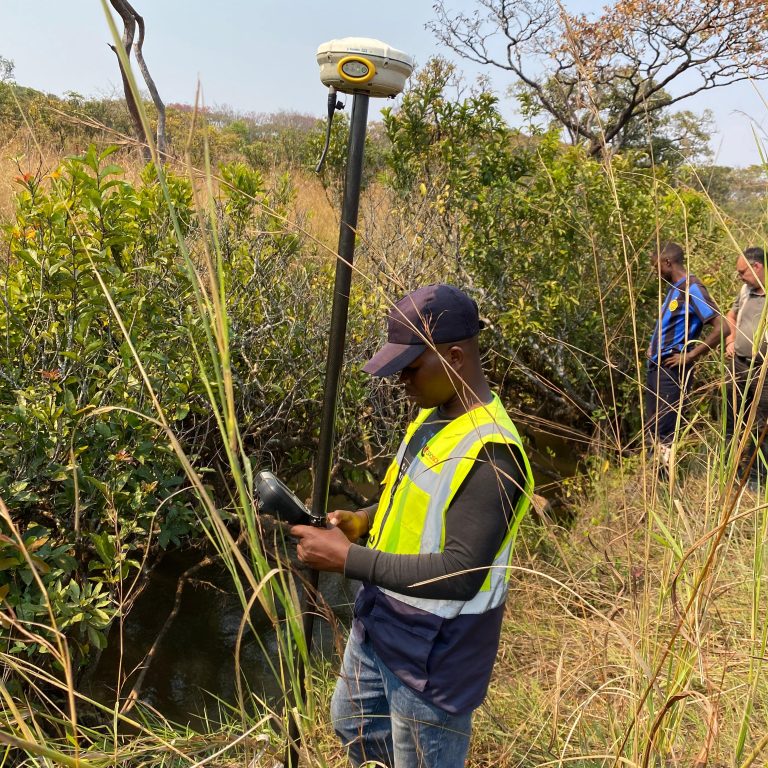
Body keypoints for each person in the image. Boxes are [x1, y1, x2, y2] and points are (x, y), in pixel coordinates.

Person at [290, 284, 534, 768]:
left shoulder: (493, 455)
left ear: (457, 356)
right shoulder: (431, 416)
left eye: (410, 367)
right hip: (382, 623)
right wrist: (362, 521)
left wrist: (346, 559)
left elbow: (461, 573)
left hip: (435, 658)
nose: (399, 380)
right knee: (352, 724)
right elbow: (407, 497)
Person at [645, 242, 723, 451]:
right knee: (652, 430)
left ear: (668, 262)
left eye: (656, 266)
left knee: (664, 431)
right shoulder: (674, 290)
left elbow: (722, 328)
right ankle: (654, 479)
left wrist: (690, 356)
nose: (655, 271)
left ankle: (665, 481)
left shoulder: (692, 288)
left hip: (671, 372)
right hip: (656, 368)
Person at [725, 246, 768, 485]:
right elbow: (731, 316)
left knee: (763, 424)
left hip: (765, 372)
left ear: (758, 267)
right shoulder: (745, 290)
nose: (740, 276)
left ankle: (755, 474)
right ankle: (728, 467)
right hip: (738, 365)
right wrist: (731, 339)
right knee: (732, 417)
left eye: (743, 272)